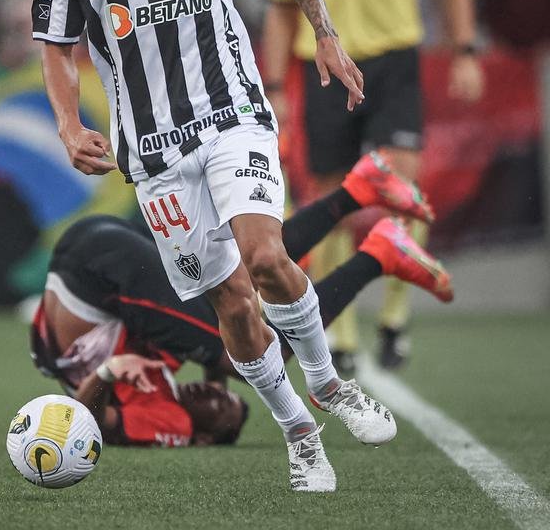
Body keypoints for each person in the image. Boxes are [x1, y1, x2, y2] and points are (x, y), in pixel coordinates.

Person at [32, 0, 393, 494]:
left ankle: (327, 383)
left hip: (233, 117)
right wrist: (70, 123)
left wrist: (325, 35)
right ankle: (298, 430)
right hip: (154, 155)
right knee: (229, 298)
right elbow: (55, 43)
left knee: (264, 257)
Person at [257, 0, 484, 374]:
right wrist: (277, 87)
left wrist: (463, 49)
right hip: (325, 70)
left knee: (403, 186)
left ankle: (396, 319)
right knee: (331, 194)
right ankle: (346, 334)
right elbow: (281, 12)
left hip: (391, 64)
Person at [30, 153, 451, 449]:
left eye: (220, 404)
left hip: (93, 275)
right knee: (250, 302)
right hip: (95, 265)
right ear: (205, 437)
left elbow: (85, 420)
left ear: (203, 434)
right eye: (226, 402)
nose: (216, 395)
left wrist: (109, 369)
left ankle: (375, 241)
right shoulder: (170, 396)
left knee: (250, 346)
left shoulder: (165, 414)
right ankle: (362, 207)